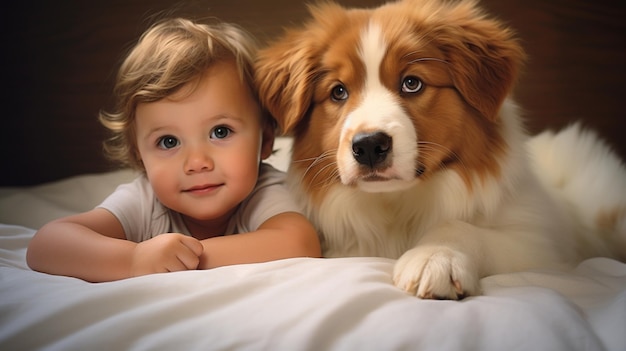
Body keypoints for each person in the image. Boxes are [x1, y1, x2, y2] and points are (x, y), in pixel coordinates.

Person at [26, 18, 321, 282]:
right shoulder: (145, 201)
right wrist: (134, 259)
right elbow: (47, 244)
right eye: (168, 142)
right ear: (139, 154)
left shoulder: (263, 190)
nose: (197, 162)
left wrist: (187, 256)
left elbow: (299, 243)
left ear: (266, 140)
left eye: (220, 132)